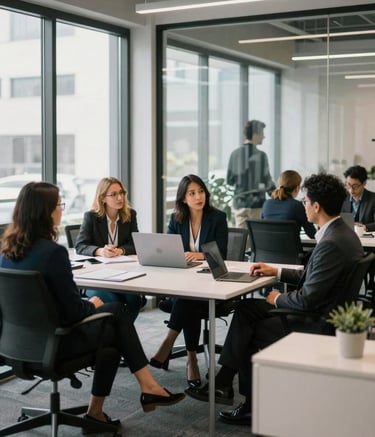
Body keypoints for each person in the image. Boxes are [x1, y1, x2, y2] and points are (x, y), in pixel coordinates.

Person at [0, 182, 184, 431]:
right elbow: (74, 312)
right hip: (56, 343)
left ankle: (100, 411)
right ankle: (147, 387)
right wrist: (92, 304)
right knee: (115, 316)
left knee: (112, 341)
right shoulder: (53, 253)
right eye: (59, 205)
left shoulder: (5, 252)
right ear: (45, 211)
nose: (61, 210)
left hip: (17, 345)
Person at [184, 173, 364, 426]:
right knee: (247, 309)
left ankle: (243, 399)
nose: (302, 204)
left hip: (314, 322)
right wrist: (276, 271)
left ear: (316, 206)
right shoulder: (342, 234)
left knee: (247, 328)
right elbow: (316, 276)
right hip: (324, 311)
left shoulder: (331, 243)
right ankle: (225, 383)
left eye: (305, 201)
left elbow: (307, 299)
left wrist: (278, 297)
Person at [150, 174, 228, 389]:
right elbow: (168, 248)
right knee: (188, 298)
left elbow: (222, 252)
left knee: (189, 299)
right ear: (184, 199)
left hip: (210, 282)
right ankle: (191, 357)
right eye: (192, 193)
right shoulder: (177, 219)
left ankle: (171, 343)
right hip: (182, 280)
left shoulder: (218, 217)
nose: (198, 197)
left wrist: (199, 256)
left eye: (201, 191)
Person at [75, 177, 144, 322]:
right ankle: (121, 337)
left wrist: (121, 251)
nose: (120, 198)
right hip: (97, 278)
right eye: (113, 194)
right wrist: (100, 251)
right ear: (103, 198)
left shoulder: (130, 215)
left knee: (135, 300)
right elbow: (80, 245)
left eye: (121, 193)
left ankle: (121, 334)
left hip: (123, 274)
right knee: (113, 301)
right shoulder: (91, 217)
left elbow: (136, 243)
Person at [227, 120, 275, 229]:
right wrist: (278, 195)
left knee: (242, 241)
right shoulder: (261, 156)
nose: (264, 137)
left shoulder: (234, 154)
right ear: (255, 134)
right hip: (256, 205)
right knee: (256, 240)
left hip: (239, 204)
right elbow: (267, 181)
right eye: (262, 134)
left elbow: (229, 181)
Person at [261, 170, 316, 238]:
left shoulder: (267, 204)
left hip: (266, 248)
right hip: (290, 248)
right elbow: (312, 234)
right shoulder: (297, 206)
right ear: (297, 188)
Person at [341, 165, 375, 232]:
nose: (351, 190)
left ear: (364, 183)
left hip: (366, 239)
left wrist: (365, 227)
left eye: (355, 186)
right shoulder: (342, 197)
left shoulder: (373, 199)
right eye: (348, 185)